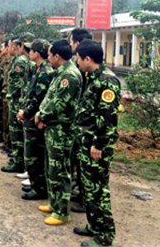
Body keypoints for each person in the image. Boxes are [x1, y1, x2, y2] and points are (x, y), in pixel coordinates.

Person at [73, 40, 120, 247]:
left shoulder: (107, 81)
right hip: (86, 143)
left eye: (78, 58)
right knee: (89, 188)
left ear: (87, 59)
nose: (77, 61)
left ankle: (105, 235)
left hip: (96, 146)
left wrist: (99, 145)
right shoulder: (91, 77)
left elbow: (107, 117)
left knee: (99, 189)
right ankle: (94, 226)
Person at [34, 39, 82, 226]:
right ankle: (54, 203)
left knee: (60, 170)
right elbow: (50, 97)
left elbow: (59, 103)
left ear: (57, 56)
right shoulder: (60, 73)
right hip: (53, 127)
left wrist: (42, 115)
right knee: (52, 167)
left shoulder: (68, 76)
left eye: (49, 54)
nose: (47, 57)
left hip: (62, 130)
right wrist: (41, 114)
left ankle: (62, 212)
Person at [17, 39, 54, 200]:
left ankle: (39, 188)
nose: (28, 52)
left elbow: (38, 97)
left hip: (35, 117)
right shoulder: (39, 69)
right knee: (33, 154)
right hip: (31, 116)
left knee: (34, 155)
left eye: (31, 50)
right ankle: (36, 185)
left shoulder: (45, 72)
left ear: (37, 53)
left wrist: (25, 112)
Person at [2, 36, 34, 175]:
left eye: (10, 46)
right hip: (17, 100)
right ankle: (17, 158)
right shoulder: (19, 60)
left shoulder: (20, 61)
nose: (8, 48)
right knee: (15, 132)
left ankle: (18, 161)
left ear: (17, 47)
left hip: (17, 100)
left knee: (16, 132)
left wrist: (12, 96)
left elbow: (19, 83)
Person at [69, 28, 93, 213]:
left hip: (89, 127)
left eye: (71, 42)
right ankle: (80, 192)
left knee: (87, 166)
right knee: (78, 160)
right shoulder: (80, 67)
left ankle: (86, 198)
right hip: (79, 123)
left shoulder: (89, 67)